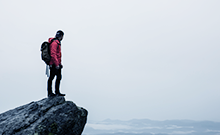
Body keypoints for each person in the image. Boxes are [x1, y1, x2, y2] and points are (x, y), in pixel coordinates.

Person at [47, 30, 65, 97]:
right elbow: (53, 54)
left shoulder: (57, 42)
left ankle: (57, 92)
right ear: (61, 36)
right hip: (54, 64)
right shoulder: (55, 43)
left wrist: (60, 64)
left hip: (57, 63)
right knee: (52, 78)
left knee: (58, 77)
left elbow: (58, 55)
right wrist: (57, 64)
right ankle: (50, 93)